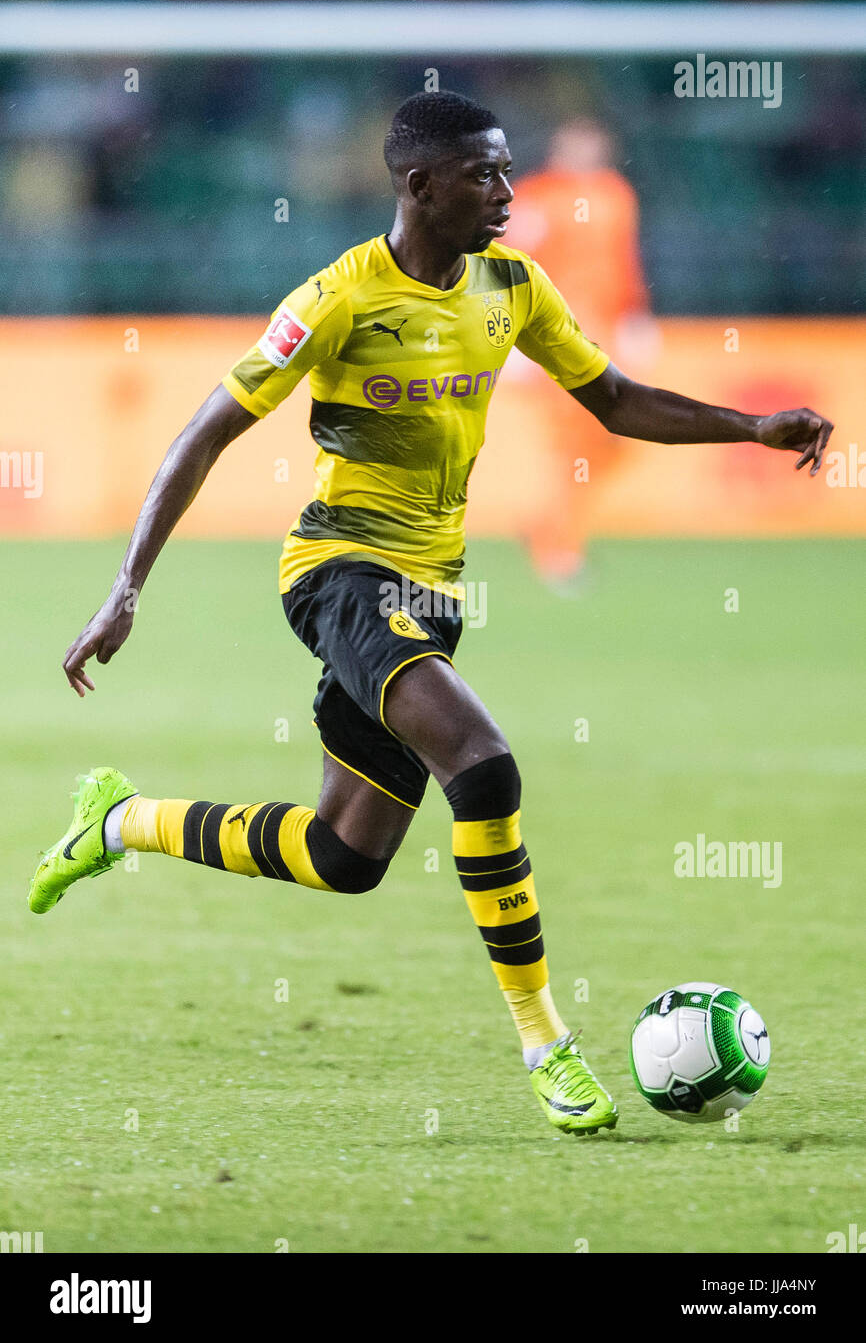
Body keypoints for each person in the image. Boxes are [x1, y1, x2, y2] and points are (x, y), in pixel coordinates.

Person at [29, 92, 832, 1137]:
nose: (505, 192)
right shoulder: (337, 299)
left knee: (343, 855)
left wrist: (751, 426)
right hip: (339, 571)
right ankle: (547, 1042)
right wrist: (125, 588)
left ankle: (118, 819)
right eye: (483, 175)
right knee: (483, 763)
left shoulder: (513, 287)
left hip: (429, 593)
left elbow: (617, 400)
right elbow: (202, 432)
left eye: (505, 171)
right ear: (418, 186)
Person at [506, 117, 655, 587]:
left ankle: (548, 528)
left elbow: (625, 261)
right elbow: (510, 262)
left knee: (613, 443)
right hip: (557, 338)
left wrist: (636, 317)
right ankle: (559, 549)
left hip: (606, 335)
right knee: (576, 443)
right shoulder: (537, 196)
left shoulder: (615, 195)